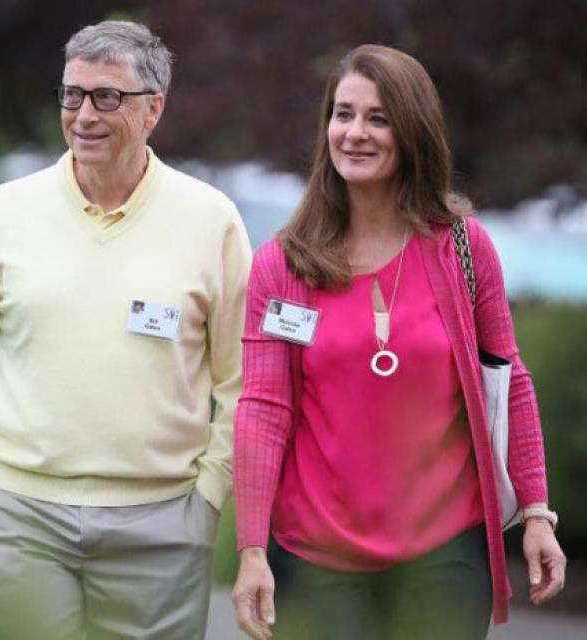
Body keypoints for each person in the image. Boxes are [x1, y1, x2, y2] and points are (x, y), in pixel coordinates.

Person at [0, 20, 252, 640]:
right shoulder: (5, 212)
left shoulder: (211, 220)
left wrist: (210, 492)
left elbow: (241, 377)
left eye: (107, 97)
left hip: (160, 526)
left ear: (153, 108)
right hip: (14, 521)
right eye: (72, 95)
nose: (84, 116)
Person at [231, 45, 565, 640]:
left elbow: (509, 380)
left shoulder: (464, 249)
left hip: (444, 558)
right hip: (316, 562)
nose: (355, 133)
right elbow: (263, 409)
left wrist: (536, 513)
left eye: (378, 118)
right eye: (343, 114)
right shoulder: (283, 265)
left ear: (413, 132)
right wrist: (251, 548)